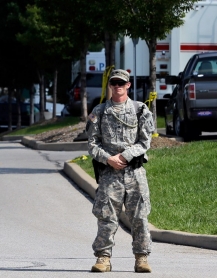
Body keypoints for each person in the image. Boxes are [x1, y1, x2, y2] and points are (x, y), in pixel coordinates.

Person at [86, 69, 155, 273]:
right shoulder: (99, 112)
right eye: (114, 82)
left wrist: (125, 156)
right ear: (110, 85)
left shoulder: (140, 110)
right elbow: (92, 144)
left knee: (140, 217)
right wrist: (109, 159)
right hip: (109, 174)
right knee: (106, 217)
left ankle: (141, 258)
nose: (117, 86)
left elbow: (145, 141)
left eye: (121, 83)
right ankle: (103, 258)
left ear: (128, 85)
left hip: (134, 173)